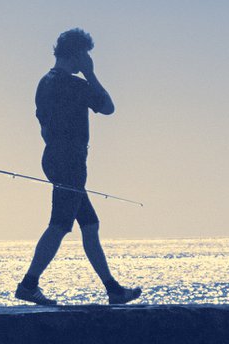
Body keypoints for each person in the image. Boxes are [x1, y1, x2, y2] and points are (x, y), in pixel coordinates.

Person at [15, 28, 141, 306]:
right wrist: (91, 75)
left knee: (90, 225)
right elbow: (108, 107)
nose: (88, 60)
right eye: (85, 55)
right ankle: (28, 284)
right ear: (76, 55)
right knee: (59, 224)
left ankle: (113, 290)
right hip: (70, 162)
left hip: (53, 157)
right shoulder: (75, 85)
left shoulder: (44, 83)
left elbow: (45, 127)